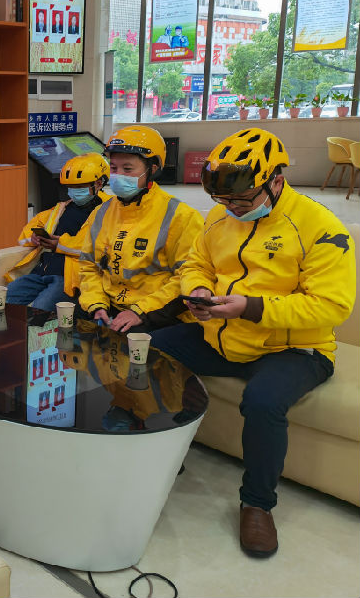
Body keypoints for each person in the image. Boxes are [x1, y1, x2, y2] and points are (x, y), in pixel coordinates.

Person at [150, 128, 355, 558]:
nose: (232, 209)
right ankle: (164, 453)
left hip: (294, 349)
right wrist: (198, 290)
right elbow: (197, 263)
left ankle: (257, 505)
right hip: (224, 336)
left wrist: (251, 308)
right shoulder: (219, 217)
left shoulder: (320, 227)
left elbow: (331, 307)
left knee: (262, 402)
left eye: (242, 200)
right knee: (149, 351)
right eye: (223, 201)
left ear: (276, 181)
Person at [77, 126, 203, 333]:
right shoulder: (101, 212)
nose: (118, 176)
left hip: (158, 314)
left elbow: (188, 277)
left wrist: (139, 312)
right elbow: (88, 266)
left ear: (152, 169)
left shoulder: (181, 216)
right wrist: (96, 304)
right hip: (108, 308)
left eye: (128, 169)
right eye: (114, 168)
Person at [5, 153, 109, 312]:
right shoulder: (62, 208)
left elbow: (93, 247)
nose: (74, 192)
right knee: (3, 300)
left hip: (68, 278)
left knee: (40, 311)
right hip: (40, 271)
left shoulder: (108, 211)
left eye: (79, 187)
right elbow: (24, 237)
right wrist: (34, 238)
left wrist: (58, 244)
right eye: (71, 187)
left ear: (99, 183)